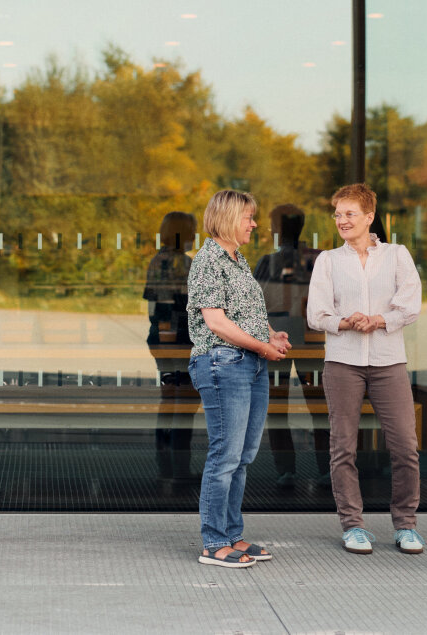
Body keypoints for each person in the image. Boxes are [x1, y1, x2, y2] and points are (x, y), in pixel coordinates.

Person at [306, 183, 424, 556]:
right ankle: (353, 525)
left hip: (389, 361)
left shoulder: (396, 255)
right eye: (337, 214)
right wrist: (346, 321)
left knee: (405, 445)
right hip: (343, 362)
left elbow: (410, 306)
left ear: (369, 216)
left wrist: (379, 319)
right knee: (343, 447)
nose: (341, 220)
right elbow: (316, 314)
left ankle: (405, 525)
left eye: (349, 213)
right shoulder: (328, 260)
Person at [187, 189, 290, 568]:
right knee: (225, 455)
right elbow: (216, 322)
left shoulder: (237, 259)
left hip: (249, 362)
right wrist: (262, 348)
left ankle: (232, 534)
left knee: (243, 456)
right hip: (224, 364)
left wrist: (270, 336)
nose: (255, 223)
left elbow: (243, 314)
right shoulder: (208, 260)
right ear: (229, 218)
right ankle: (214, 542)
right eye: (249, 217)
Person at [253, 204, 330, 489]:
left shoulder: (268, 262)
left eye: (274, 224)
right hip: (308, 337)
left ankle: (287, 471)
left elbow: (255, 301)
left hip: (288, 336)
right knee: (317, 406)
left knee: (281, 406)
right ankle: (323, 470)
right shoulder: (318, 258)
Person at [143, 211, 197, 490]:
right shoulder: (183, 264)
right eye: (192, 231)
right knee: (185, 405)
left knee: (168, 402)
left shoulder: (156, 261)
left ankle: (165, 465)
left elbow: (153, 305)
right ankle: (180, 468)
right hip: (180, 339)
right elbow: (178, 305)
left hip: (162, 339)